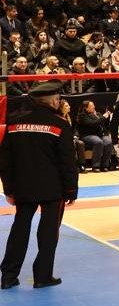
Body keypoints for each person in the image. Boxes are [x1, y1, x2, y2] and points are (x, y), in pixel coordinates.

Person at [0, 81, 76, 290]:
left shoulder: (14, 123)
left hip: (23, 187)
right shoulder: (60, 125)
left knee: (19, 230)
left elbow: (5, 160)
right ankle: (42, 276)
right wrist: (71, 190)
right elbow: (67, 161)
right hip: (53, 189)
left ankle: (8, 276)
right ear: (53, 100)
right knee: (48, 232)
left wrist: (9, 189)